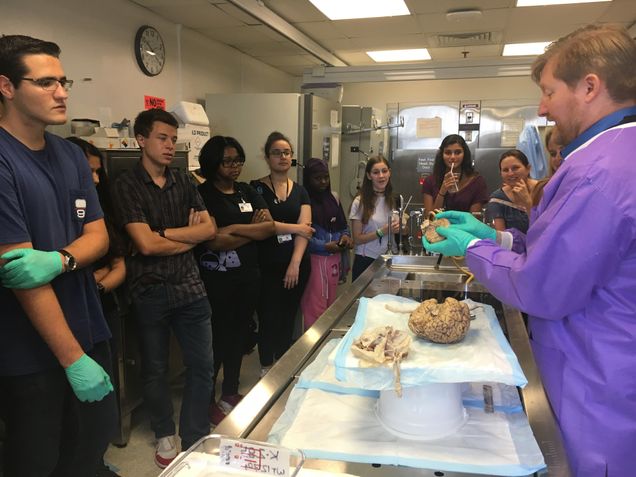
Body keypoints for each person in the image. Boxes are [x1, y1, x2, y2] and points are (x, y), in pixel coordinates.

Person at [422, 24, 636, 476]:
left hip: (598, 385)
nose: (542, 108)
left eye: (548, 92)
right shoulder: (613, 156)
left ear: (590, 87)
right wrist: (495, 236)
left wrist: (474, 246)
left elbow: (542, 284)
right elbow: (558, 249)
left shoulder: (601, 172)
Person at [0, 35, 115, 477]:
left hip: (88, 328)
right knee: (38, 460)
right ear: (7, 87)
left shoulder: (69, 154)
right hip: (29, 352)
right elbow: (23, 277)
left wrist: (62, 259)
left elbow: (99, 235)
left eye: (63, 81)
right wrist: (71, 359)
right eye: (46, 82)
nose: (62, 92)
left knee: (89, 448)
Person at [112, 108, 216, 468]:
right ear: (141, 139)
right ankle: (164, 431)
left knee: (202, 365)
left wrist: (167, 234)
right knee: (154, 368)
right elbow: (145, 246)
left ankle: (194, 434)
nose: (170, 146)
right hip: (149, 289)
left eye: (173, 139)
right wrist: (186, 238)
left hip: (190, 286)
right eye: (162, 137)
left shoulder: (184, 181)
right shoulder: (126, 185)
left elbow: (209, 230)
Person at [195, 135, 274, 426]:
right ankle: (205, 402)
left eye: (238, 160)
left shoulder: (245, 191)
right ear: (213, 163)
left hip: (247, 278)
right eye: (228, 161)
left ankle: (230, 391)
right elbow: (212, 241)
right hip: (217, 282)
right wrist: (248, 230)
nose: (235, 166)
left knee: (239, 337)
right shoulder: (203, 194)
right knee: (216, 341)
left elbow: (268, 228)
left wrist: (234, 229)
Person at [67, 137, 127, 477]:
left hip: (101, 312)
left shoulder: (99, 210)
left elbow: (118, 262)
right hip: (70, 319)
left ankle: (94, 462)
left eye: (98, 171)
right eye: (88, 171)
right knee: (72, 416)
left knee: (103, 408)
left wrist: (97, 283)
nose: (96, 179)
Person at [250, 131, 312, 377]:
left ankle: (284, 367)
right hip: (267, 265)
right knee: (268, 317)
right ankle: (266, 367)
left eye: (287, 152)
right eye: (276, 152)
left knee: (288, 317)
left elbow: (305, 232)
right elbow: (265, 227)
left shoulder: (300, 191)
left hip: (296, 265)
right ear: (267, 157)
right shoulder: (255, 189)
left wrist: (295, 264)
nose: (282, 157)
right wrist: (297, 226)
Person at [300, 158, 352, 330]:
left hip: (334, 261)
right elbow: (303, 236)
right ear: (308, 179)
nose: (323, 182)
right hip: (315, 261)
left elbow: (344, 227)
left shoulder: (333, 198)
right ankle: (314, 350)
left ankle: (325, 346)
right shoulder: (304, 201)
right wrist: (324, 246)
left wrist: (345, 238)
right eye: (317, 178)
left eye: (326, 177)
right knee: (315, 309)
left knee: (330, 307)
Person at [349, 155, 399, 282]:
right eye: (376, 172)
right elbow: (357, 239)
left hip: (389, 258)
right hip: (367, 261)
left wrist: (401, 228)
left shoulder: (394, 199)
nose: (381, 176)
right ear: (368, 176)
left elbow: (402, 230)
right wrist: (382, 231)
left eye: (384, 171)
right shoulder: (360, 202)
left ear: (390, 173)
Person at [422, 134, 489, 216]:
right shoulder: (430, 181)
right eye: (448, 153)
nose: (453, 157)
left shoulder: (477, 182)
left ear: (465, 154)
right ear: (442, 155)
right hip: (438, 228)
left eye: (458, 152)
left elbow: (474, 219)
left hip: (464, 229)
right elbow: (429, 219)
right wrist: (442, 191)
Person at [485, 149, 538, 233]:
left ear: (528, 169)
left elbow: (548, 226)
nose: (510, 173)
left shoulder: (544, 189)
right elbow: (501, 237)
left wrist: (527, 202)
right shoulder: (497, 199)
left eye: (515, 168)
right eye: (505, 170)